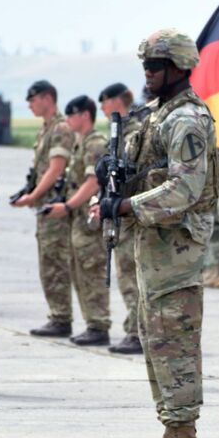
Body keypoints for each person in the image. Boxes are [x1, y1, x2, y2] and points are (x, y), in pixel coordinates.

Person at [101, 29, 218, 438]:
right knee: (156, 339)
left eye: (155, 66)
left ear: (177, 68)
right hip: (155, 247)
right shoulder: (155, 114)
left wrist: (128, 204)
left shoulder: (185, 119)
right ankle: (172, 427)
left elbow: (185, 189)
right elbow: (143, 168)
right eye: (145, 66)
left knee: (175, 341)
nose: (147, 74)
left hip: (177, 248)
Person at [40, 95, 110, 346]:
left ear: (84, 115)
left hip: (88, 222)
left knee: (92, 273)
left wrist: (68, 205)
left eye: (72, 115)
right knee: (80, 274)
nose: (68, 120)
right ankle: (92, 323)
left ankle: (99, 324)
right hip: (78, 222)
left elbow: (93, 183)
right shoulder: (82, 144)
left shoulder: (95, 144)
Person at [10, 80, 76, 338]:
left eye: (32, 99)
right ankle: (57, 315)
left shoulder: (60, 128)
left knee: (55, 263)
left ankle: (61, 318)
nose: (29, 105)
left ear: (47, 98)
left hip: (54, 207)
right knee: (48, 262)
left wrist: (33, 197)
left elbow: (56, 168)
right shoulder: (46, 129)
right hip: (45, 207)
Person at [99, 82, 144, 354]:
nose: (102, 108)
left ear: (117, 100)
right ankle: (135, 329)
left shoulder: (135, 132)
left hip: (130, 214)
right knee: (125, 275)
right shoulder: (118, 132)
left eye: (104, 101)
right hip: (116, 213)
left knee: (131, 277)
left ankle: (137, 332)